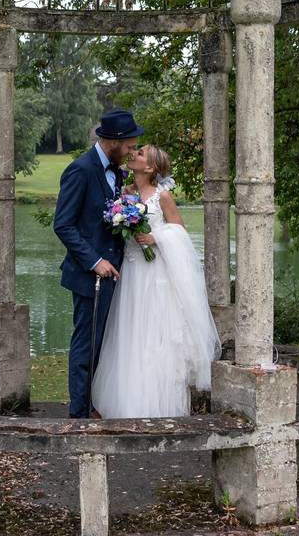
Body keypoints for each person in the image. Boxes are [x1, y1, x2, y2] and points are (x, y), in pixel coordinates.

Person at [91, 145, 221, 418]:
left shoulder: (162, 197)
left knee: (153, 337)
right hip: (130, 273)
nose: (133, 154)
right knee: (129, 335)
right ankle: (125, 405)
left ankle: (156, 407)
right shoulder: (124, 195)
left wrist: (156, 237)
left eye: (139, 154)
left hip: (154, 274)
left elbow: (181, 233)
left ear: (150, 168)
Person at [53, 109, 142, 418]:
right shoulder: (80, 170)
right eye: (130, 146)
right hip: (89, 275)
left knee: (102, 343)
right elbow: (63, 225)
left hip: (115, 274)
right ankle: (78, 414)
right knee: (85, 346)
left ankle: (92, 404)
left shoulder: (116, 173)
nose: (132, 152)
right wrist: (95, 261)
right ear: (113, 142)